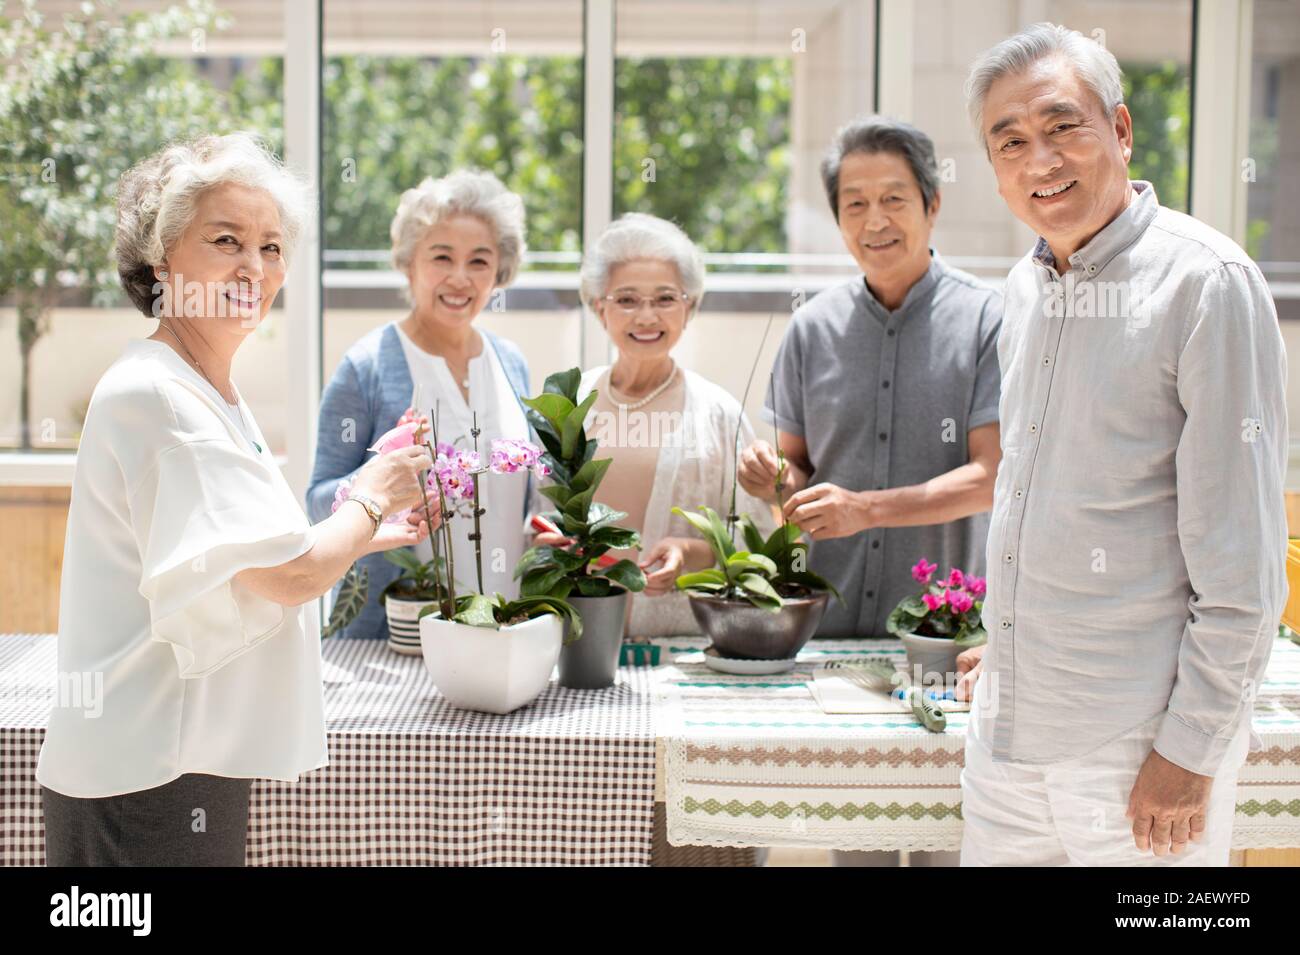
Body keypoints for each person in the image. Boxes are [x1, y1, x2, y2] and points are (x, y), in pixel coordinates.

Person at [36, 133, 433, 866]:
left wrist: (366, 524)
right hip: (142, 773)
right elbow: (288, 577)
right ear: (163, 262)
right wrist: (369, 500)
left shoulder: (201, 386)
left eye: (272, 247)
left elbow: (256, 557)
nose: (255, 266)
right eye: (227, 240)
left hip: (186, 756)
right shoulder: (160, 397)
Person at [957, 23, 1286, 866]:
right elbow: (1043, 494)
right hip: (1009, 744)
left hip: (1139, 751)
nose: (1042, 160)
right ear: (994, 169)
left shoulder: (1207, 284)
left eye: (1064, 126)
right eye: (1012, 141)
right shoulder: (1024, 289)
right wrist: (1010, 638)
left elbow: (1243, 562)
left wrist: (1190, 753)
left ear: (1122, 128)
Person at [738, 118, 1003, 866]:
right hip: (834, 645)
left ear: (932, 204)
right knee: (857, 852)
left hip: (946, 646)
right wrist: (770, 481)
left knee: (948, 849)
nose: (875, 220)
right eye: (855, 204)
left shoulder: (989, 320)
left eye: (893, 198)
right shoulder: (810, 329)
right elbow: (795, 480)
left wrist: (865, 508)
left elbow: (992, 476)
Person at [307, 171, 533, 638]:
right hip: (395, 638)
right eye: (441, 257)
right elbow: (316, 502)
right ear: (410, 263)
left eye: (479, 261)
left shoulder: (511, 363)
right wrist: (380, 480)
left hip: (505, 627)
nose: (460, 277)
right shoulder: (366, 367)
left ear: (500, 271)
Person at [532, 212, 774, 639]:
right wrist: (547, 539)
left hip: (677, 646)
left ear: (690, 307)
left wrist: (690, 551)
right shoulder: (570, 404)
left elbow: (754, 541)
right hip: (573, 637)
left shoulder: (718, 412)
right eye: (626, 299)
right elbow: (534, 517)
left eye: (665, 299)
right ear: (598, 307)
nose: (646, 316)